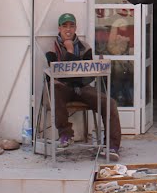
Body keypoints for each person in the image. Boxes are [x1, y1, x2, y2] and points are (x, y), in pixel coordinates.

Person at [46, 13, 122, 160]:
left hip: (82, 87)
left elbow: (87, 75)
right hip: (62, 88)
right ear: (59, 28)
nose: (68, 29)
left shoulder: (84, 47)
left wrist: (74, 73)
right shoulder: (52, 49)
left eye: (71, 26)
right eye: (64, 26)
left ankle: (112, 146)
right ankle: (65, 135)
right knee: (55, 89)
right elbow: (57, 73)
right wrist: (68, 52)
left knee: (109, 103)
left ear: (75, 28)